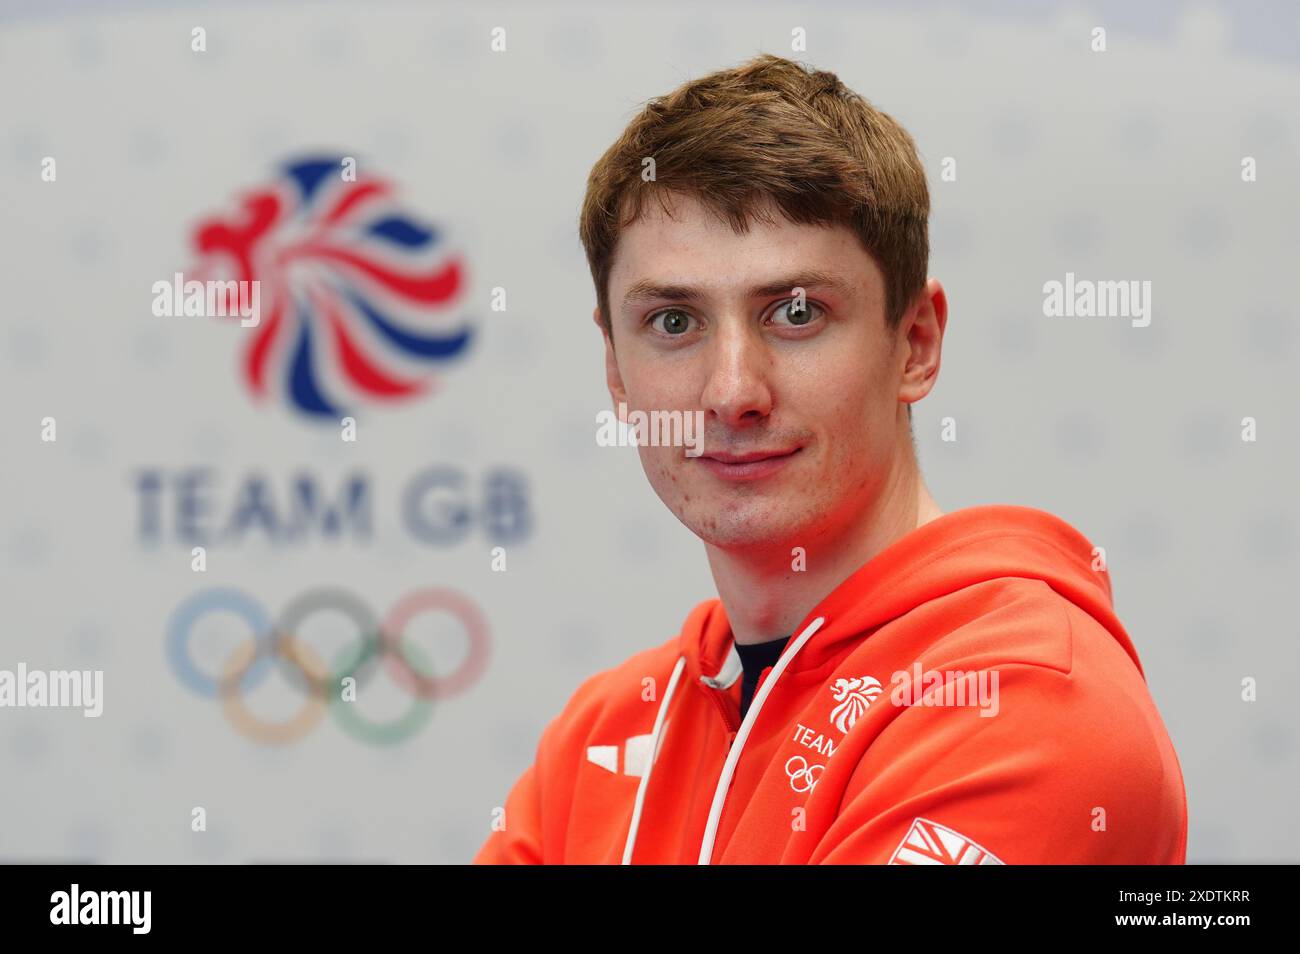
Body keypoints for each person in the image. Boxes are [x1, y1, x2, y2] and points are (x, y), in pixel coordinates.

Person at [474, 53, 1187, 864]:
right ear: (615, 372)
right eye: (674, 323)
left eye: (797, 312)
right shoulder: (605, 736)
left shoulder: (1025, 698)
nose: (732, 391)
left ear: (914, 344)